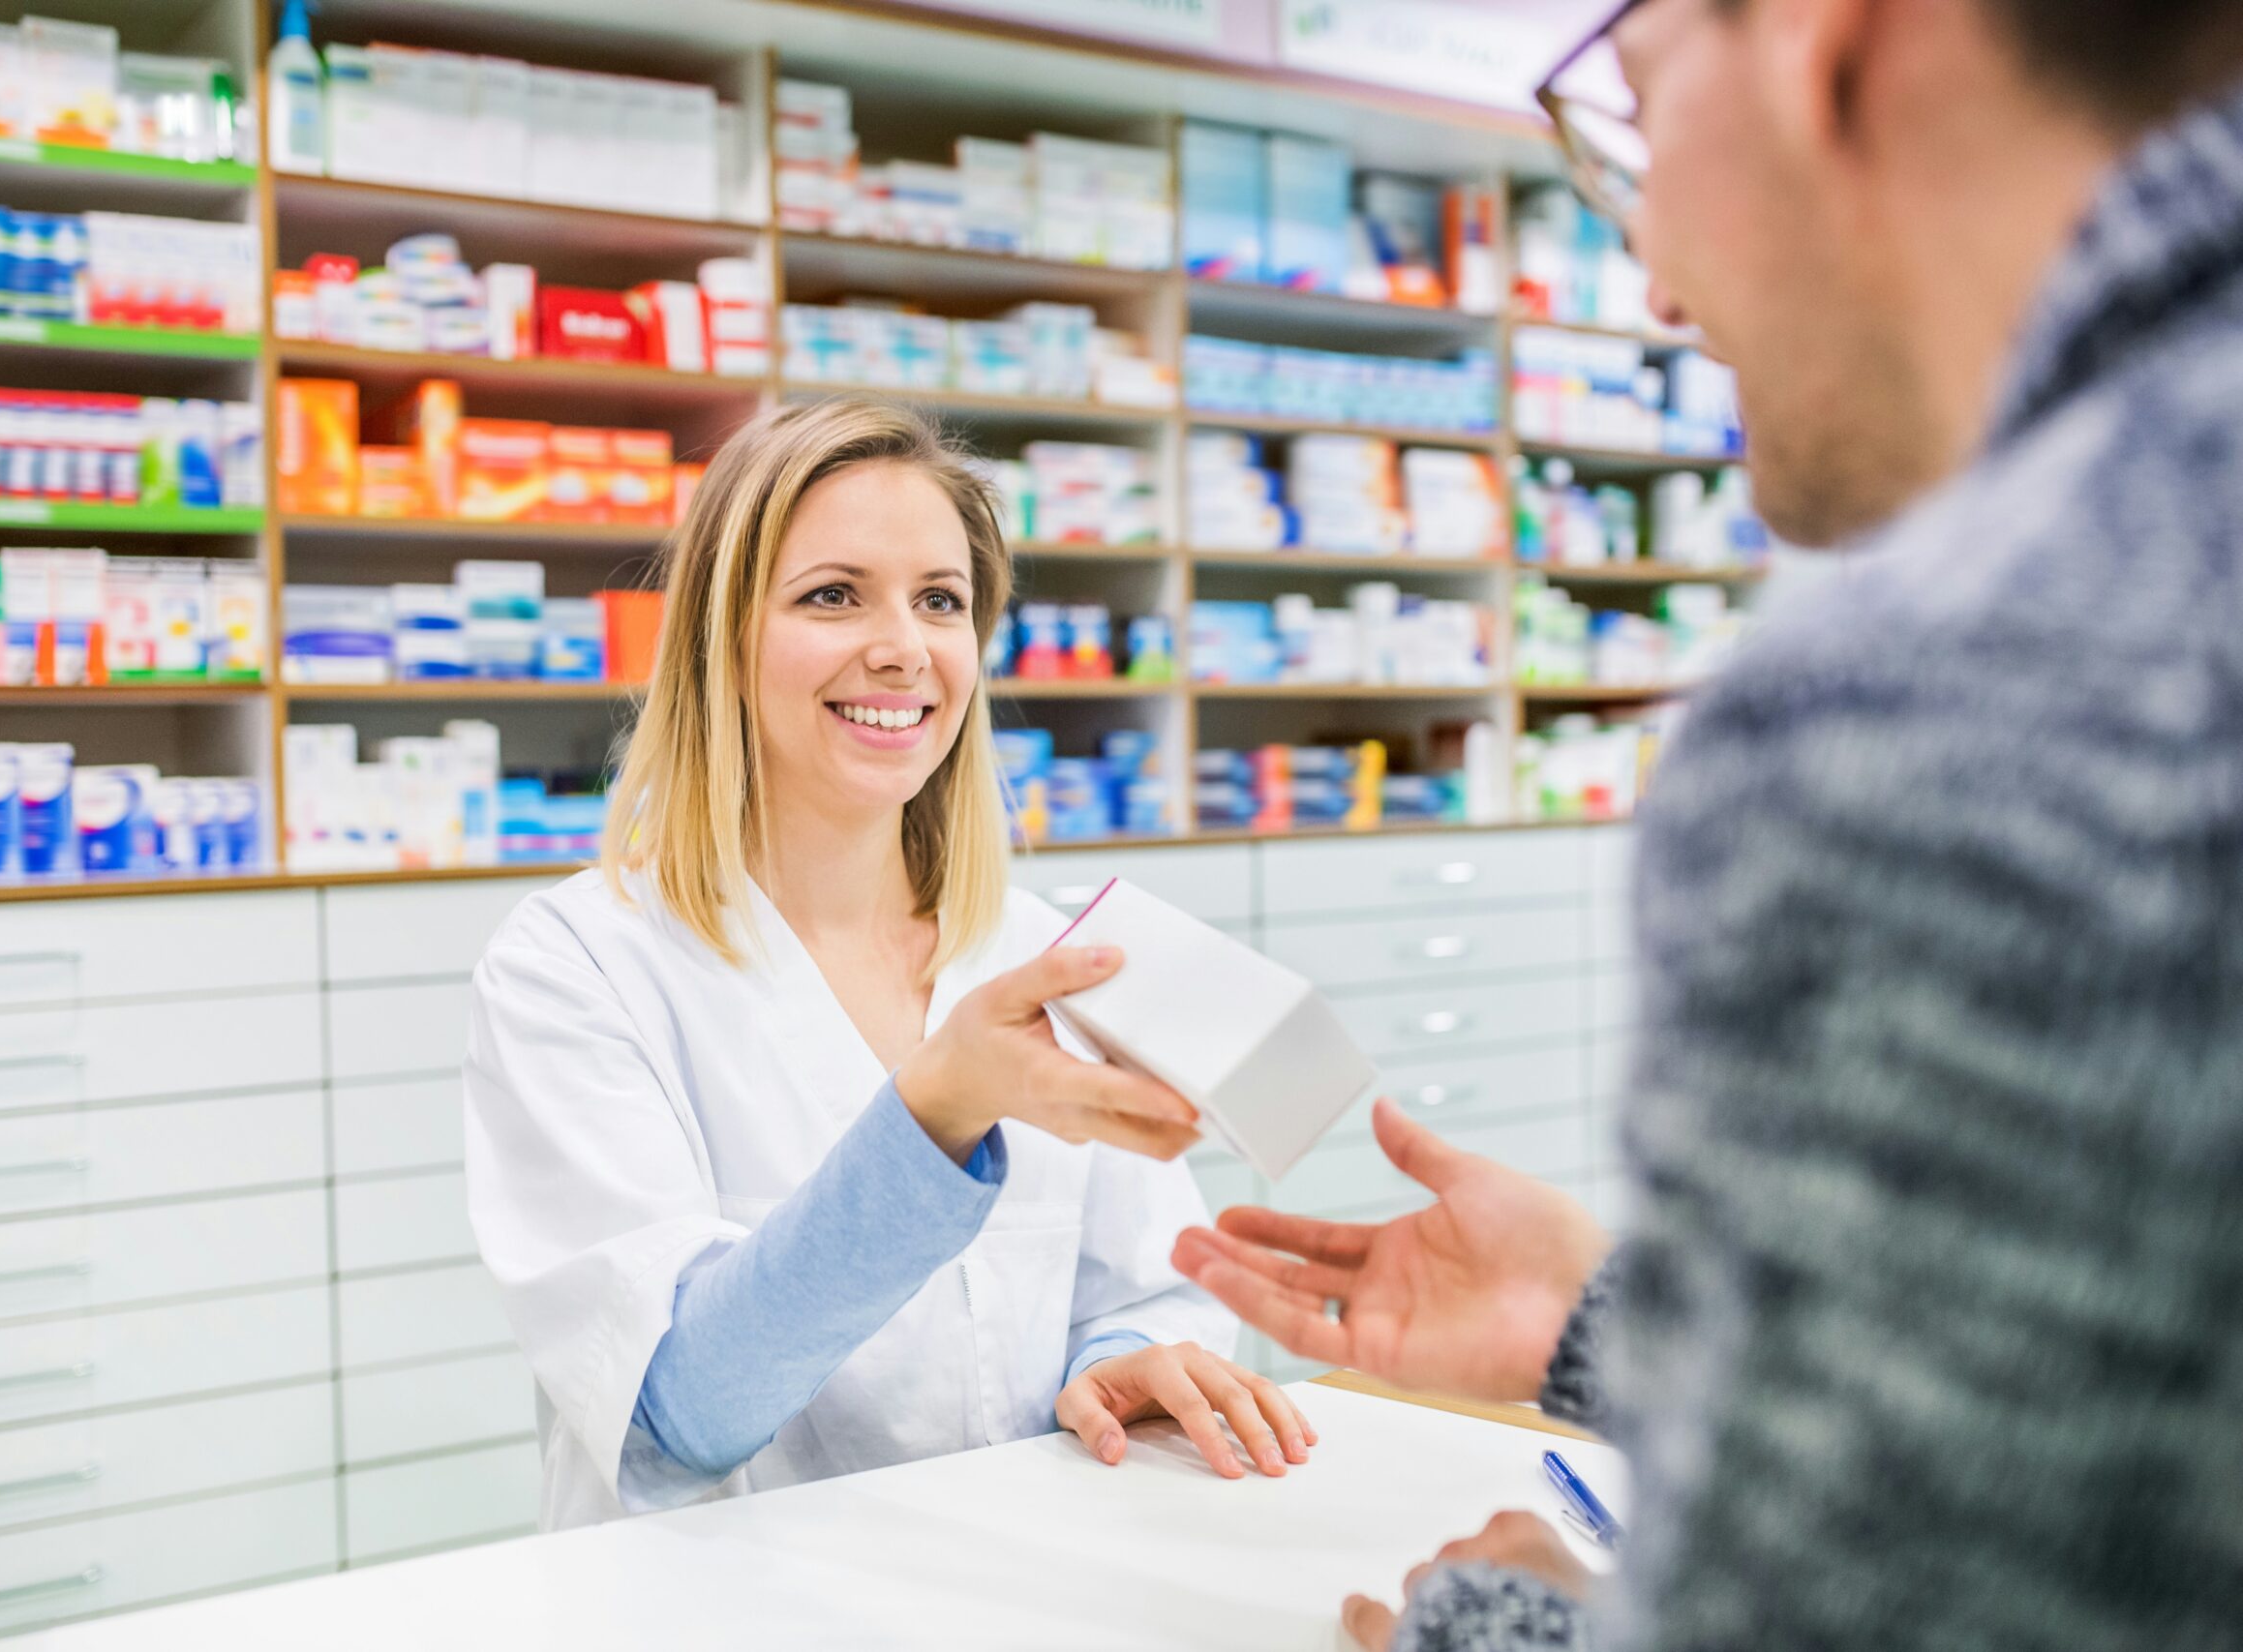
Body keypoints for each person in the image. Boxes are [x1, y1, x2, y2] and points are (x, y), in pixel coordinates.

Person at [1176, 0, 2243, 1647]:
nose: (1659, 282)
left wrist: (1506, 1627)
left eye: (1642, 110)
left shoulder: (1945, 710)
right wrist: (1613, 1328)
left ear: (1820, 39)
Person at [465, 396, 1312, 1529]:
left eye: (941, 602)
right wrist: (935, 1111)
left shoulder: (1042, 953)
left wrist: (1126, 1361)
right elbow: (677, 1412)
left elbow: (1147, 1285)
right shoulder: (579, 968)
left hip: (1023, 1590)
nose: (902, 648)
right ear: (721, 637)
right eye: (831, 595)